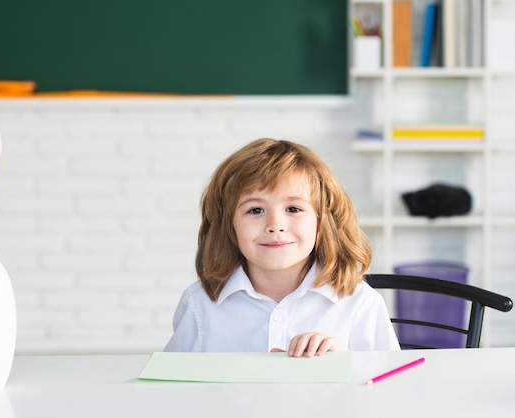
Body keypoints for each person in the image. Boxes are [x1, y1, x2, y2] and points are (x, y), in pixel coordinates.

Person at [164, 138, 400, 357]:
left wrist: (341, 364)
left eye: (293, 209)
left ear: (322, 221)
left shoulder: (360, 304)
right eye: (255, 210)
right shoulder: (200, 303)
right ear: (229, 226)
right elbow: (171, 391)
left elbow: (388, 391)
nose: (275, 225)